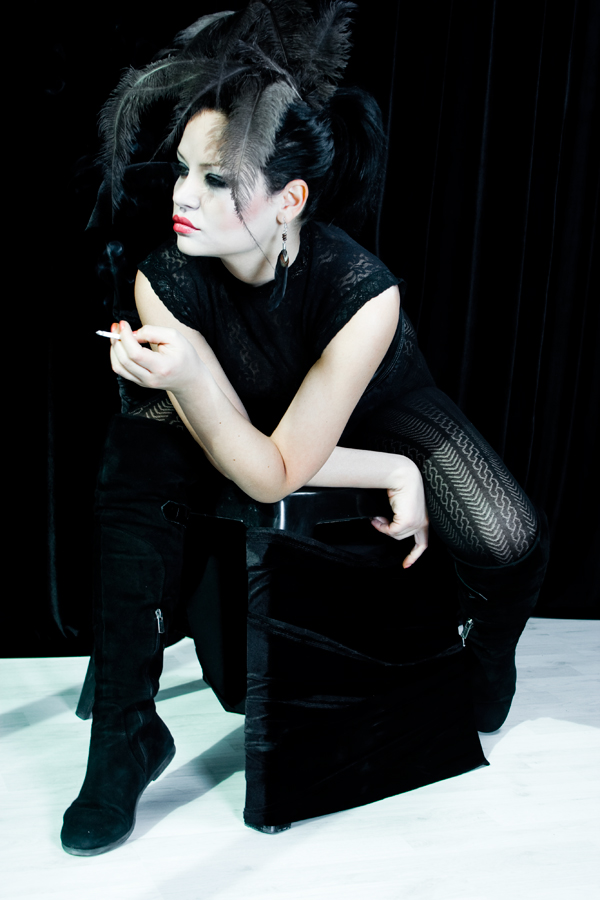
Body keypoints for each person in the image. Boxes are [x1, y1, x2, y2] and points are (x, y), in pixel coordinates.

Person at [61, 1, 548, 856]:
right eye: (183, 170)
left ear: (290, 199)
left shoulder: (364, 292)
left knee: (508, 539)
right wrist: (192, 376)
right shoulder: (165, 279)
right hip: (244, 422)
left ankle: (488, 648)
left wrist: (398, 461)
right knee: (133, 454)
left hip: (371, 408)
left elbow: (282, 462)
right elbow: (258, 464)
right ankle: (124, 736)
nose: (182, 196)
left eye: (217, 180)